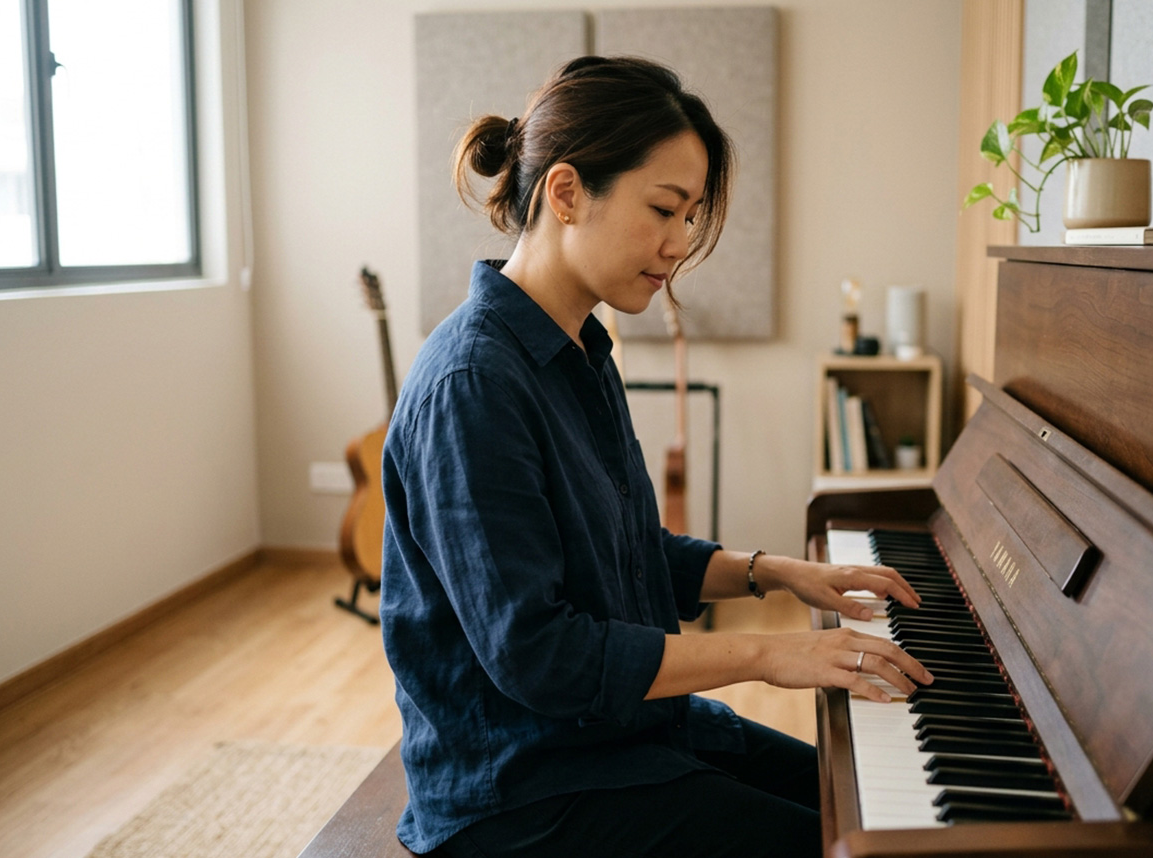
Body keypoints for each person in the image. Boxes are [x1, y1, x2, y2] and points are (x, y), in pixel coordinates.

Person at [380, 55, 933, 858]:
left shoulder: (579, 347)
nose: (678, 244)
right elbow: (540, 656)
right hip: (521, 793)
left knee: (874, 818)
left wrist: (776, 573)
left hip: (622, 737)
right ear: (565, 193)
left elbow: (627, 554)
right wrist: (771, 654)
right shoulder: (474, 384)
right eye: (663, 210)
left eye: (690, 217)